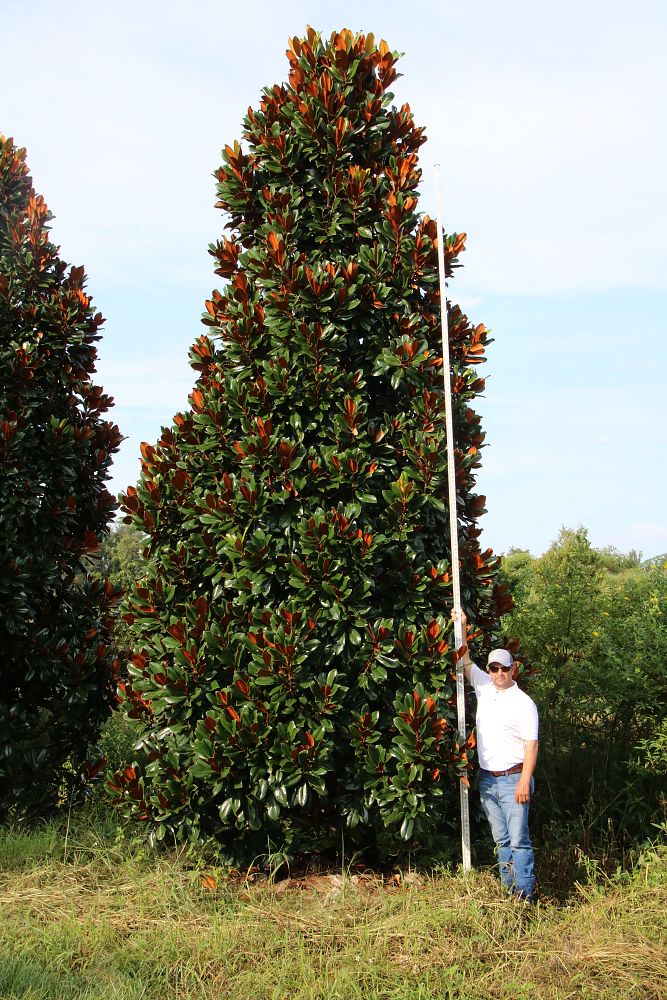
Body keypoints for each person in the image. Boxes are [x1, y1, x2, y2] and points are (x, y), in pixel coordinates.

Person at [453, 610, 539, 902]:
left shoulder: (523, 703)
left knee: (519, 842)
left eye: (504, 668)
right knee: (501, 840)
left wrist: (524, 782)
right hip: (488, 780)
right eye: (493, 668)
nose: (499, 673)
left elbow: (531, 745)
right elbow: (464, 661)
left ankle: (524, 898)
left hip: (513, 780)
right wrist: (462, 626)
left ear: (513, 669)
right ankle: (508, 892)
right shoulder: (485, 687)